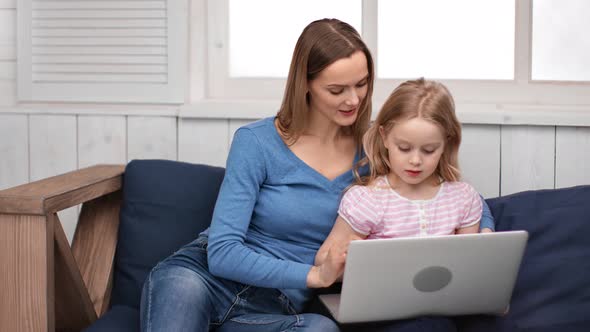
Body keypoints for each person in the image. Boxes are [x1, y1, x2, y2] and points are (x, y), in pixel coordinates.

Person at [140, 18, 493, 331]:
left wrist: (485, 230)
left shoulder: (377, 145)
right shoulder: (257, 142)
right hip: (202, 278)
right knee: (183, 288)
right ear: (305, 85)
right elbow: (222, 252)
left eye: (362, 84)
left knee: (320, 329)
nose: (353, 100)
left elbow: (449, 191)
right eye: (337, 90)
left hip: (277, 307)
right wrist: (315, 275)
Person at [315, 78, 492, 331]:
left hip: (435, 310)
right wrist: (345, 261)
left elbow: (466, 270)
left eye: (429, 150)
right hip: (376, 311)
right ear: (385, 137)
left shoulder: (462, 198)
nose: (415, 161)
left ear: (447, 143)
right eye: (404, 148)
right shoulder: (368, 199)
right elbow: (323, 260)